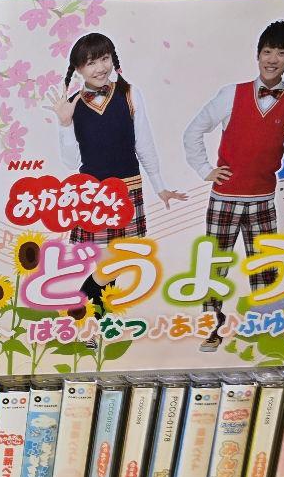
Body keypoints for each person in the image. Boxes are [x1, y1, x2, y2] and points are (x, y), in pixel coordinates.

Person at [183, 20, 284, 350]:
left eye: (281, 53)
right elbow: (193, 131)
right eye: (267, 51)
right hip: (225, 198)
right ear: (257, 54)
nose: (272, 59)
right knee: (215, 266)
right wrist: (205, 170)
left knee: (264, 268)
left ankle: (265, 329)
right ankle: (212, 328)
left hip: (263, 200)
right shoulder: (231, 94)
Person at [45, 32, 186, 315]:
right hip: (94, 194)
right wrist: (65, 123)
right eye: (90, 63)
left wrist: (159, 185)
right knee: (109, 265)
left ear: (113, 59)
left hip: (127, 188)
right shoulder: (71, 104)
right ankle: (89, 317)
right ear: (78, 69)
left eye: (104, 59)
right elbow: (71, 162)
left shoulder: (129, 94)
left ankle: (86, 315)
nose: (100, 68)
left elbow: (143, 143)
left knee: (115, 262)